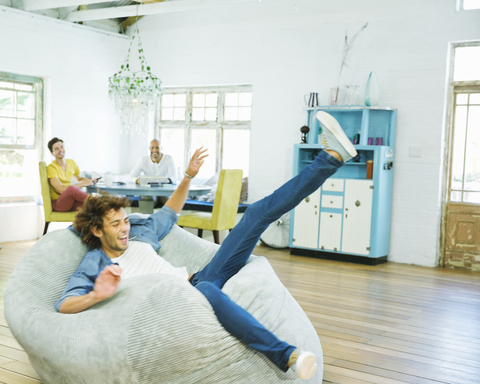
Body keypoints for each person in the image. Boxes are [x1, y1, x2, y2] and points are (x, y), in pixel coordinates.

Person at [54, 111, 357, 380]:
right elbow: (64, 305)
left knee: (255, 213)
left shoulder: (141, 233)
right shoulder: (95, 262)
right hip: (177, 302)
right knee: (208, 291)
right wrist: (97, 293)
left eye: (124, 221)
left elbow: (169, 212)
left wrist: (188, 175)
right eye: (115, 224)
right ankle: (289, 355)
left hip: (199, 278)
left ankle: (330, 157)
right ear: (96, 230)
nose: (124, 229)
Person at [46, 137, 98, 212]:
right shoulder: (51, 168)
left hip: (71, 202)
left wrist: (89, 181)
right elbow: (60, 189)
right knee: (72, 189)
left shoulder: (71, 163)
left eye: (61, 146)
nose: (60, 150)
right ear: (52, 153)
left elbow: (79, 179)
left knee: (92, 206)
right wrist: (83, 184)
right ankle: (98, 200)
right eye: (56, 149)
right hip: (59, 204)